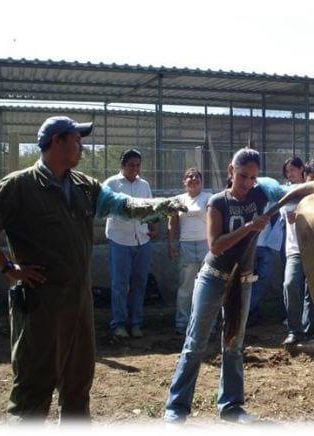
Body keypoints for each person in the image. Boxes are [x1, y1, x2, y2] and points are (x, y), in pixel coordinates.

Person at [0, 116, 184, 423]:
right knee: (33, 390)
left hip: (78, 303)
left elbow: (122, 205)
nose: (82, 148)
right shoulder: (18, 187)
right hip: (39, 307)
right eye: (77, 140)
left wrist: (162, 205)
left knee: (77, 386)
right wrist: (8, 267)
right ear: (58, 141)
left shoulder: (82, 186)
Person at [163, 148, 270, 424]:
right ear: (230, 170)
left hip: (242, 281)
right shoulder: (217, 201)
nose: (247, 183)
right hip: (213, 278)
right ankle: (176, 407)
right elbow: (216, 245)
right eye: (242, 175)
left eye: (252, 177)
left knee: (234, 344)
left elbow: (283, 193)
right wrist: (250, 227)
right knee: (195, 343)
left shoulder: (260, 194)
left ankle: (232, 406)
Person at [104, 149, 156, 339]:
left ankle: (135, 323)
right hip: (120, 240)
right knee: (120, 283)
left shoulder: (144, 185)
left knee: (139, 283)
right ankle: (118, 324)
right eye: (131, 165)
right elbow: (103, 208)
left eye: (137, 165)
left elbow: (150, 209)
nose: (135, 168)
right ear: (122, 165)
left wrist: (151, 226)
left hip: (142, 239)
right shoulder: (111, 184)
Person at [167, 168, 212, 335]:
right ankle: (182, 322)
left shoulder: (209, 198)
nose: (193, 179)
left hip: (206, 245)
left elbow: (215, 221)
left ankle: (209, 323)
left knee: (208, 286)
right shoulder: (178, 200)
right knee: (186, 286)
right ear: (184, 181)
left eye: (196, 176)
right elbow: (172, 223)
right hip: (186, 246)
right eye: (189, 177)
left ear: (201, 180)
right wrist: (171, 244)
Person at [280, 157, 314, 350]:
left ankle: (310, 331)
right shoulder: (286, 192)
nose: (290, 174)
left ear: (302, 169)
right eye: (287, 171)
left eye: (293, 169)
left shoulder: (313, 190)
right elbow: (286, 214)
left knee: (312, 292)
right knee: (290, 284)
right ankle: (294, 330)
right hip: (294, 249)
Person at [247, 202, 283, 326]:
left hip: (265, 246)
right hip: (249, 247)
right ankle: (250, 313)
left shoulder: (271, 198)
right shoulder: (246, 201)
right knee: (249, 280)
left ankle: (250, 310)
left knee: (263, 279)